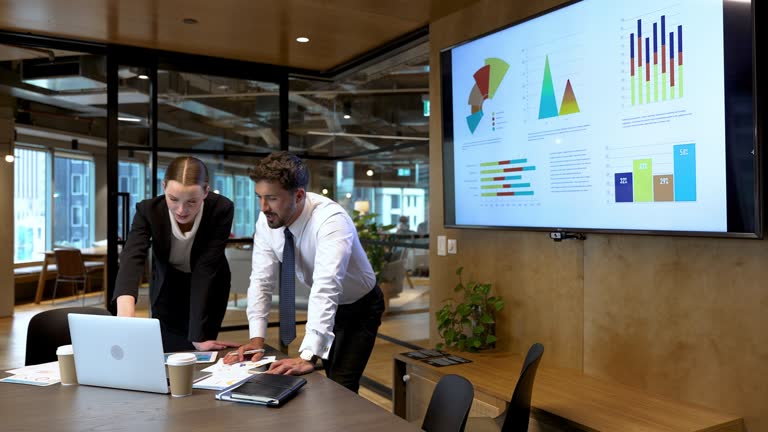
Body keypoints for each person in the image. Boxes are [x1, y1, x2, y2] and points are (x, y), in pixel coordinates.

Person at [224, 151, 385, 393]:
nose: (264, 207)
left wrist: (308, 357)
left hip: (359, 307)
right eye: (259, 197)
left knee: (340, 386)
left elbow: (326, 286)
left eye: (271, 198)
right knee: (327, 384)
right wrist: (257, 339)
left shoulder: (331, 221)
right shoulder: (267, 220)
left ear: (299, 195)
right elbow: (261, 280)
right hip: (327, 305)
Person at [114, 156, 239, 353]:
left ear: (206, 191)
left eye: (191, 201)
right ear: (164, 186)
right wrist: (125, 312)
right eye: (173, 199)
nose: (181, 210)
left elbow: (205, 267)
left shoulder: (221, 209)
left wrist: (198, 336)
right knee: (167, 347)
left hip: (208, 286)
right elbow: (132, 257)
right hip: (167, 284)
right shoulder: (149, 211)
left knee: (200, 348)